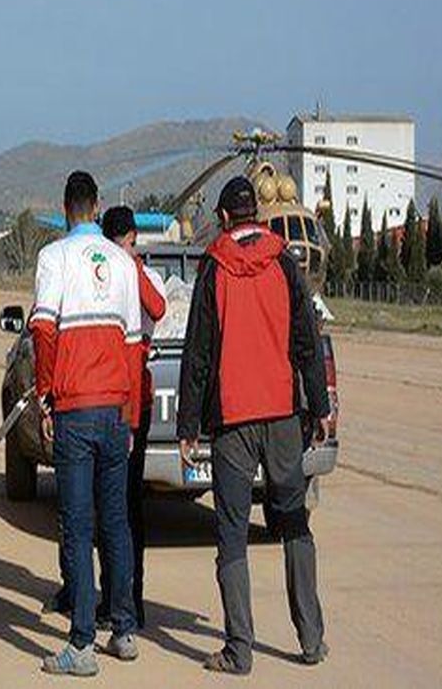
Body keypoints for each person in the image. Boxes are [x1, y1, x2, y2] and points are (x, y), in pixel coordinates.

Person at [177, 176, 333, 675]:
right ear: (257, 217)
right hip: (284, 417)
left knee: (231, 532)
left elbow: (198, 355)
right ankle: (310, 639)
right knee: (293, 523)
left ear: (224, 218)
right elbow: (307, 339)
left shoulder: (214, 267)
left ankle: (239, 650)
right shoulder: (286, 262)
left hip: (232, 425)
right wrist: (321, 406)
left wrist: (187, 426)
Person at [30, 172, 142, 676]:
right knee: (115, 521)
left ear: (65, 206)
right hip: (116, 409)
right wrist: (132, 413)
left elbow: (43, 330)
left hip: (75, 408)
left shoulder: (54, 258)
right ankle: (123, 629)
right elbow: (135, 345)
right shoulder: (123, 261)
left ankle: (81, 642)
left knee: (77, 525)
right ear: (97, 207)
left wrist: (45, 397)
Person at [95, 206, 166, 630]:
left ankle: (130, 600)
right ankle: (112, 595)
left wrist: (131, 265)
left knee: (126, 508)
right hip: (110, 397)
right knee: (107, 507)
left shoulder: (141, 275)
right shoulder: (103, 277)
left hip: (133, 404)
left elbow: (156, 307)